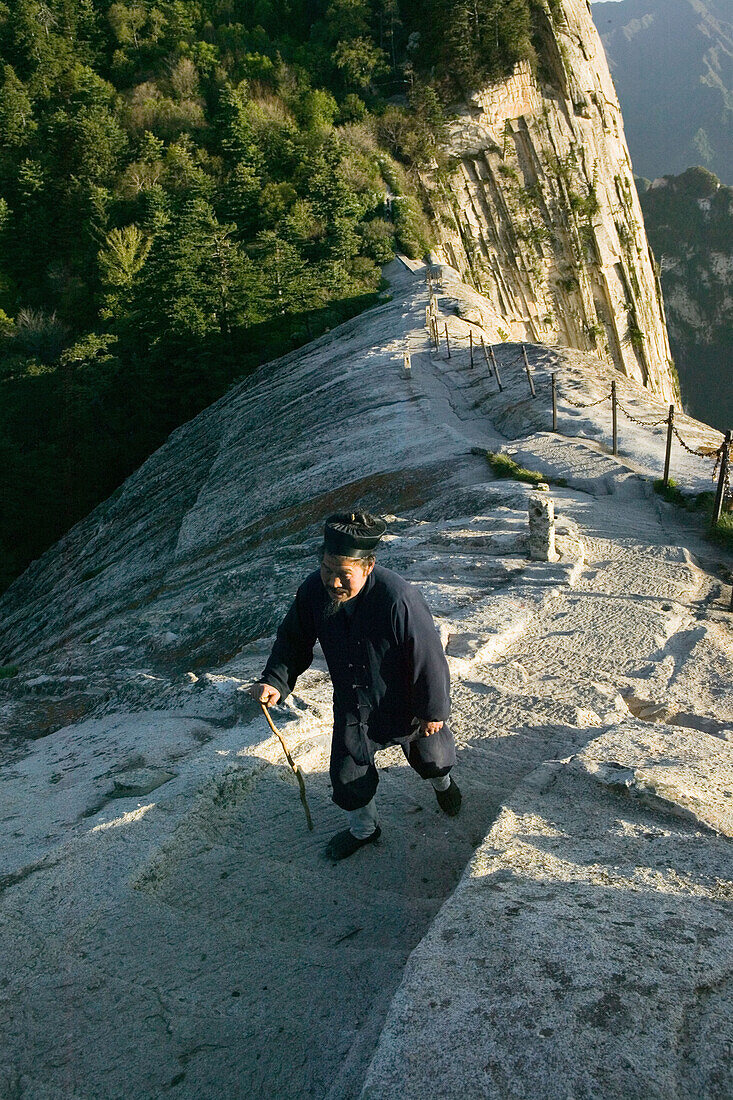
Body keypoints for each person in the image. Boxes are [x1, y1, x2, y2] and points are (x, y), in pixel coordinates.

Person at [249, 511, 461, 861]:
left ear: (368, 566)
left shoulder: (399, 598)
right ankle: (365, 829)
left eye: (343, 574)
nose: (333, 582)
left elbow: (429, 659)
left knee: (433, 759)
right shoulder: (313, 592)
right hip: (353, 702)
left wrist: (433, 711)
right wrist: (275, 680)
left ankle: (444, 787)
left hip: (405, 701)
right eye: (327, 570)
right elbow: (293, 640)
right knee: (348, 777)